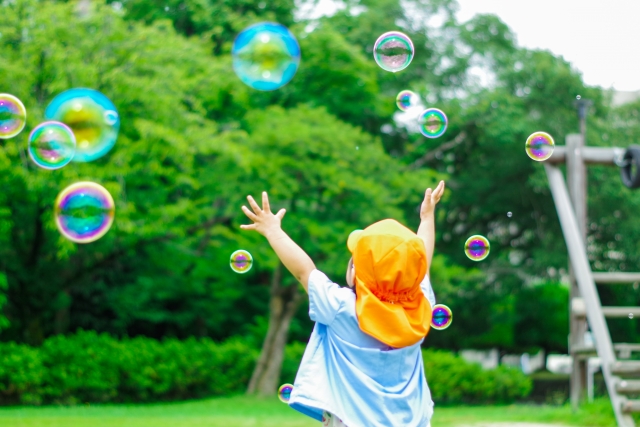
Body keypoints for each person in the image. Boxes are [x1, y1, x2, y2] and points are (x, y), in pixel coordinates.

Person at [240, 180, 445, 427]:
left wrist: (273, 231)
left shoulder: (341, 307)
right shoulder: (420, 309)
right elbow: (422, 264)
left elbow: (304, 271)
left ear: (358, 272)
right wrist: (427, 218)